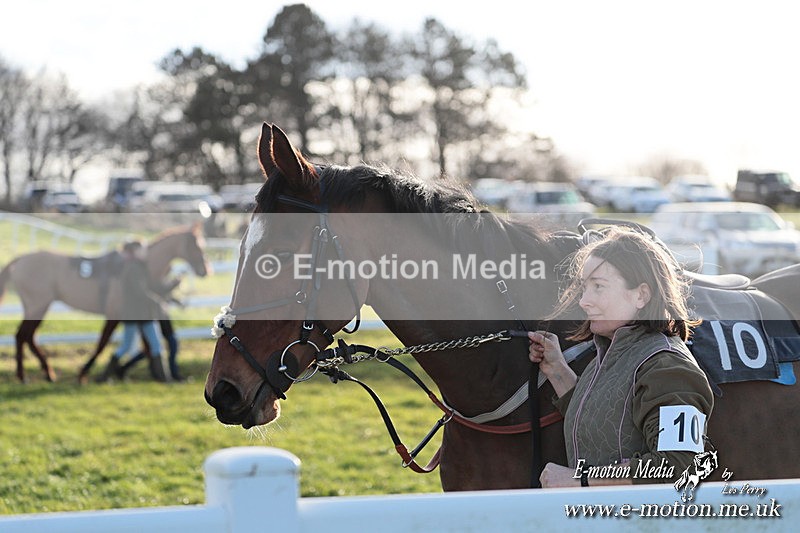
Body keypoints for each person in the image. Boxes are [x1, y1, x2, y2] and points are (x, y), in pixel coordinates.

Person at [528, 226, 713, 488]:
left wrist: (579, 480)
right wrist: (557, 370)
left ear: (641, 295)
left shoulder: (668, 367)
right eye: (584, 287)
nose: (584, 301)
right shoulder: (608, 354)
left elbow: (679, 466)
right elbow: (603, 420)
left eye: (598, 287)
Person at [97, 240, 171, 383]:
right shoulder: (134, 268)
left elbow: (146, 289)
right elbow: (140, 292)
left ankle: (105, 376)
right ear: (135, 251)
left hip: (135, 314)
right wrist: (157, 302)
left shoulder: (135, 267)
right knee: (153, 345)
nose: (145, 252)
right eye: (142, 250)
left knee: (129, 346)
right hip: (141, 313)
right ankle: (164, 379)